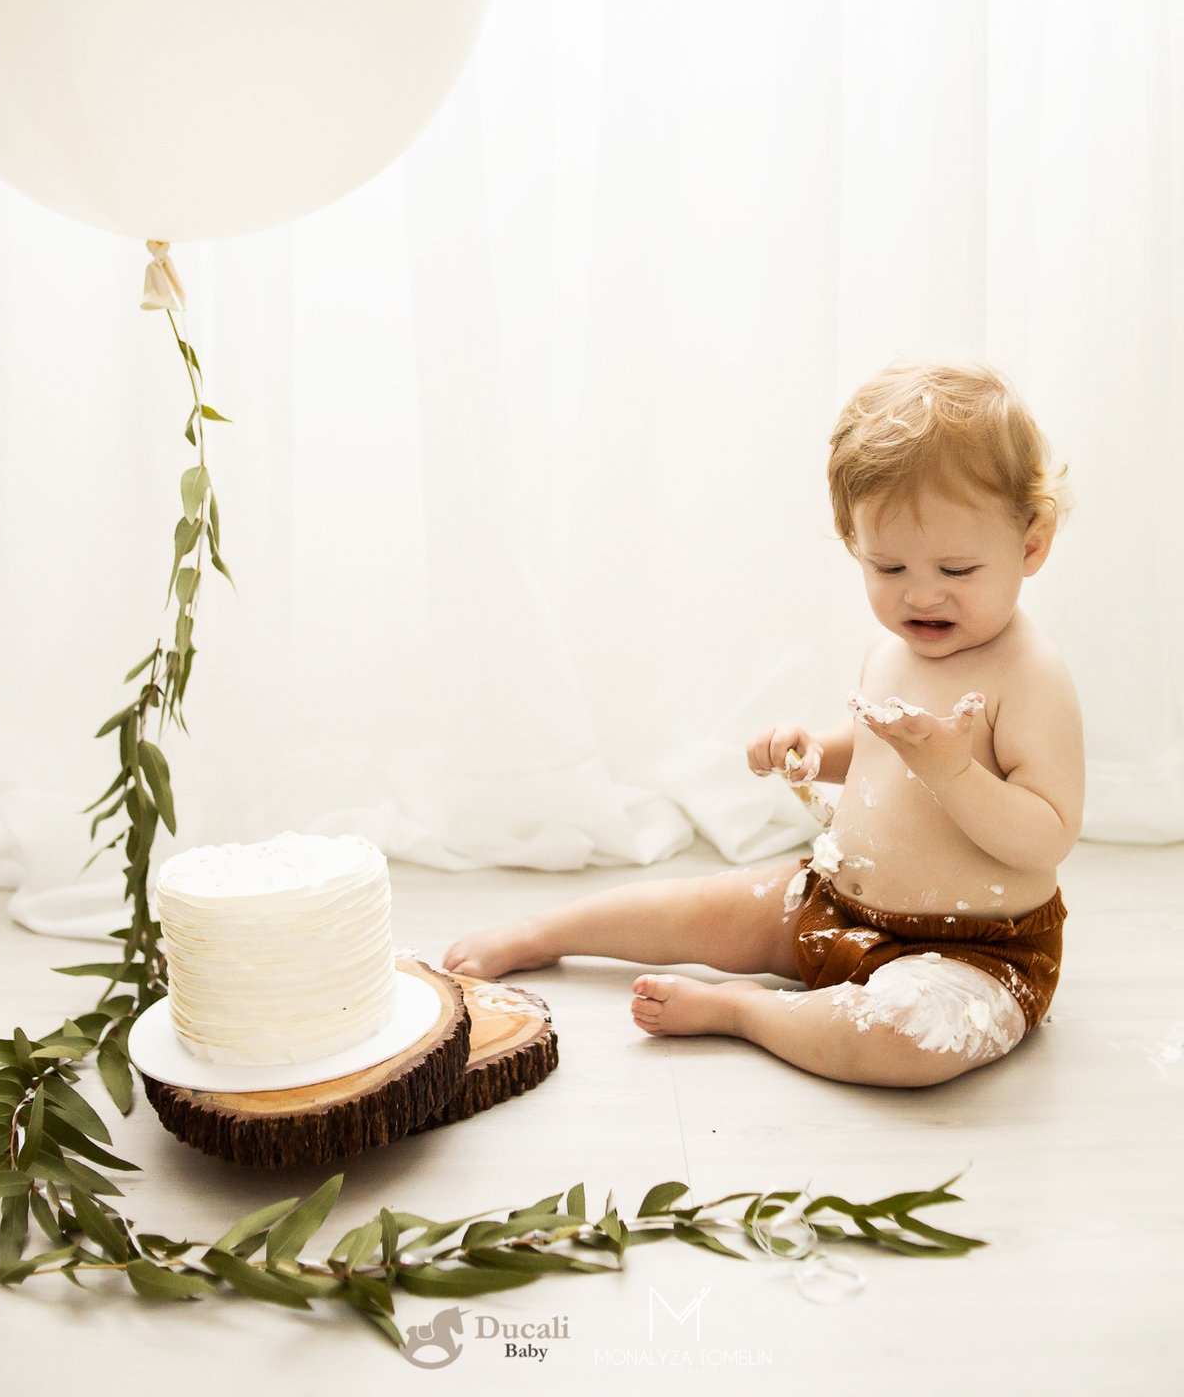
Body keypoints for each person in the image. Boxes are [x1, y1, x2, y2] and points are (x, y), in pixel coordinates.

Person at [444, 361, 1084, 1087]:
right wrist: (815, 751)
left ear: (1030, 544)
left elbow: (1048, 835)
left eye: (957, 571)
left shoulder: (1028, 674)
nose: (921, 596)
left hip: (979, 953)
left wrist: (957, 772)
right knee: (702, 907)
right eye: (889, 567)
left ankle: (747, 1012)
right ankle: (542, 933)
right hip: (834, 905)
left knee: (900, 1038)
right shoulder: (893, 649)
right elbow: (877, 754)